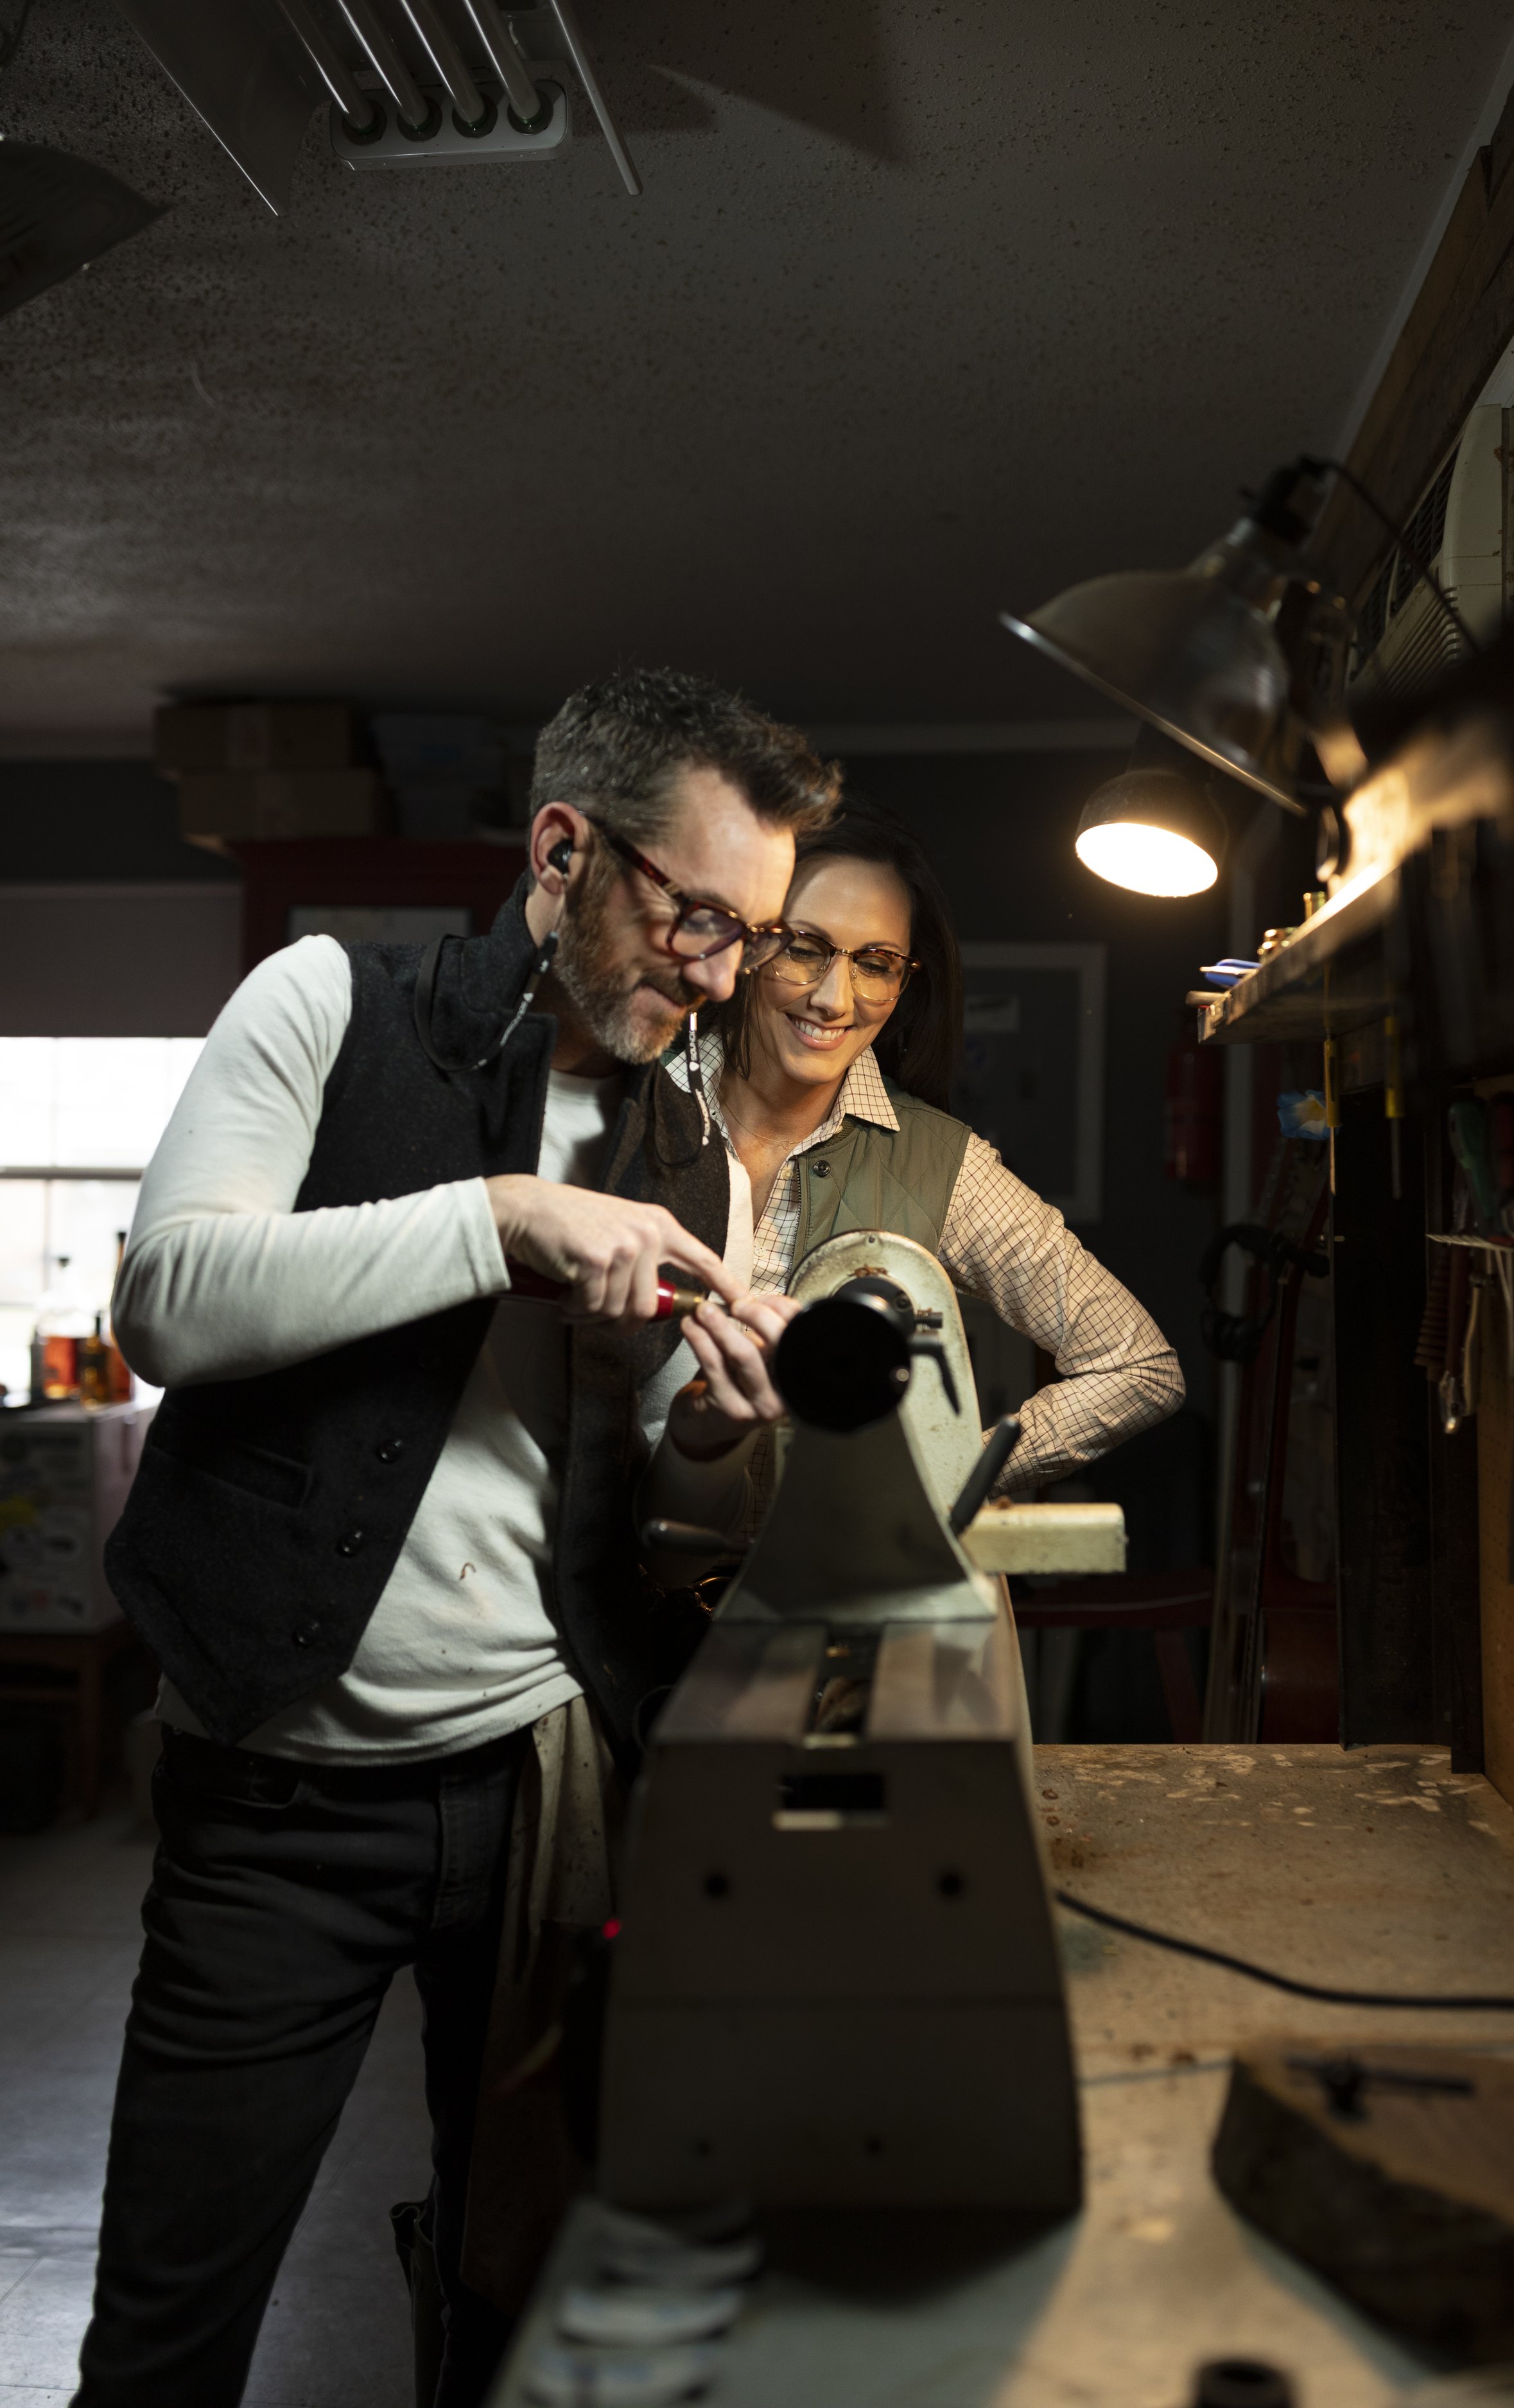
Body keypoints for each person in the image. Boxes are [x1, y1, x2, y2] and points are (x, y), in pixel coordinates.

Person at [74, 668, 839, 2408]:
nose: (725, 975)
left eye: (757, 935)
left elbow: (643, 1471)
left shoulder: (693, 1145)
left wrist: (714, 1420)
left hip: (543, 1791)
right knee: (163, 2336)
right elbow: (169, 1301)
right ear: (563, 853)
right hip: (273, 1796)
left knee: (518, 2312)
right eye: (697, 914)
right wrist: (498, 1217)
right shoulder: (325, 1003)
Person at [647, 797, 1185, 1505]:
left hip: (823, 1599)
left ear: (905, 982)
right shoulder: (633, 1104)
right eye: (804, 947)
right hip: (598, 1582)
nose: (834, 999)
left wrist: (943, 1481)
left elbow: (1140, 1368)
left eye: (876, 963)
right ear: (748, 943)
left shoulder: (941, 1165)